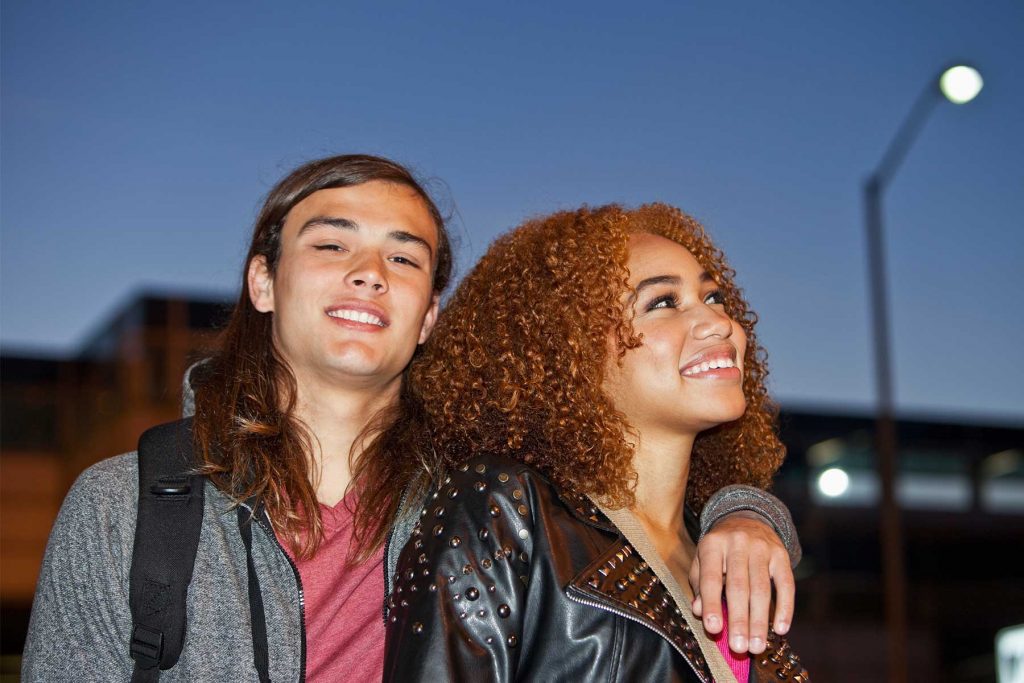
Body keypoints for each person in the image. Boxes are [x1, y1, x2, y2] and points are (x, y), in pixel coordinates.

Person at [23, 157, 799, 682]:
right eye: (330, 243)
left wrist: (746, 509)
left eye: (404, 256)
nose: (368, 271)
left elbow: (627, 502)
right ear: (263, 280)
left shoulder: (485, 493)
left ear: (429, 314)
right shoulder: (126, 507)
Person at [384, 203, 810, 681]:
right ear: (569, 348)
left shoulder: (728, 547)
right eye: (663, 302)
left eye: (712, 297)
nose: (720, 324)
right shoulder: (504, 506)